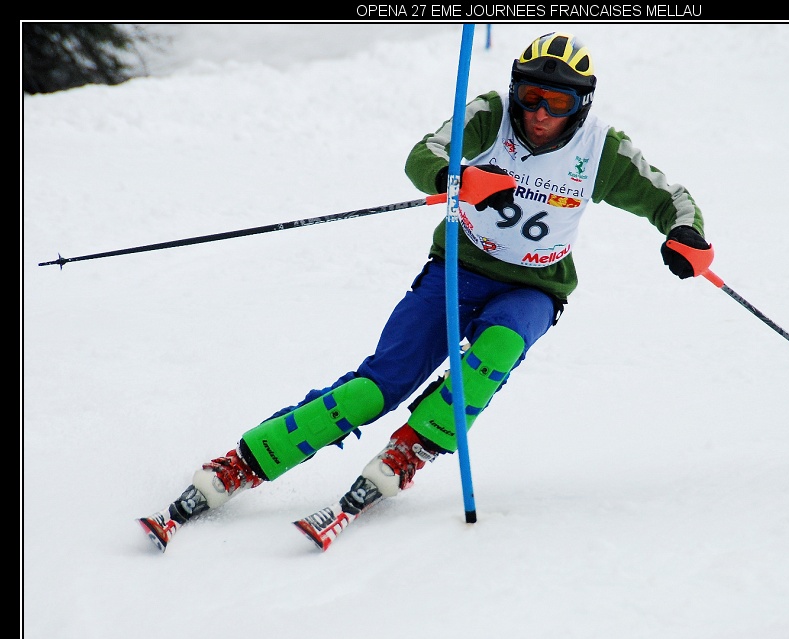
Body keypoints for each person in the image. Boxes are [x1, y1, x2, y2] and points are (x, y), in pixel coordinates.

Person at [138, 31, 714, 553]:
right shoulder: (490, 114)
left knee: (495, 351)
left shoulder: (601, 149)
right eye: (531, 96)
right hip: (458, 268)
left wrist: (686, 234)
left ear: (580, 104)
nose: (539, 113)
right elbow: (425, 155)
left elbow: (671, 199)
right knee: (374, 388)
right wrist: (456, 179)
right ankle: (243, 462)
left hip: (535, 285)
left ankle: (413, 447)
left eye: (557, 102)